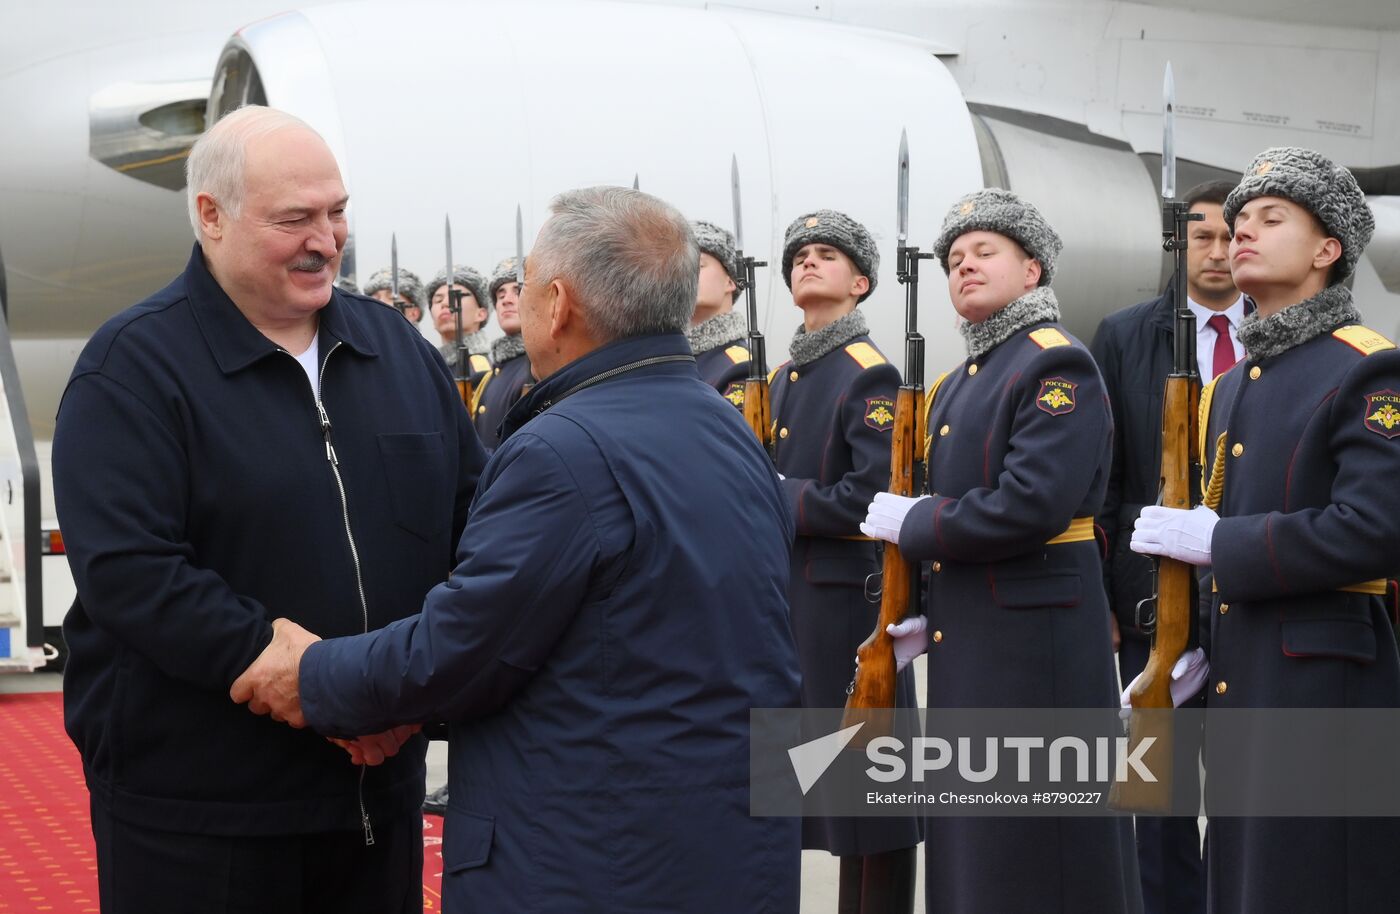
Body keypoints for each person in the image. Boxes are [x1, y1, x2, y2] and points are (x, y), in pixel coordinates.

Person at [229, 185, 803, 913]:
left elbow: (465, 645)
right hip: (725, 844)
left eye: (527, 286)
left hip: (597, 858)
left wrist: (312, 676)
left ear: (558, 302)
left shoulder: (564, 450)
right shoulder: (724, 429)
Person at [51, 105, 485, 914]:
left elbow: (475, 525)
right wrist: (309, 683)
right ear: (211, 217)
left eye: (337, 211)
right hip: (202, 820)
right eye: (296, 219)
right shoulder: (132, 370)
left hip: (378, 800)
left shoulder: (399, 355)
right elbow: (131, 572)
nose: (326, 239)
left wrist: (412, 686)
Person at [1130, 147, 1400, 914]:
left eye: (1269, 219)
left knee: (1317, 884)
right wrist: (1188, 650)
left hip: (1326, 686)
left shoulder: (1368, 370)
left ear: (1328, 250)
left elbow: (1376, 528)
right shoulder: (1230, 388)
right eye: (1238, 220)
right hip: (1245, 681)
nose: (1241, 234)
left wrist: (1223, 546)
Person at [861, 188, 1143, 914]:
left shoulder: (1056, 366)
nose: (964, 267)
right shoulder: (961, 382)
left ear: (1033, 270)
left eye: (985, 252)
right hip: (977, 631)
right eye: (954, 259)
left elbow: (1030, 505)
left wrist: (914, 524)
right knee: (976, 838)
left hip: (1036, 640)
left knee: (1036, 842)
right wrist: (924, 600)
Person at [1089, 179, 1245, 914]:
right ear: (1179, 243)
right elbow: (1104, 479)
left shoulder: (1288, 337)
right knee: (1153, 800)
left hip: (1253, 596)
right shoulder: (1124, 334)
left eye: (1230, 234)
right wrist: (1106, 598)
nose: (1217, 251)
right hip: (1151, 600)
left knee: (1254, 804)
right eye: (1201, 235)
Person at [766, 209, 920, 913]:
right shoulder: (789, 372)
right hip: (794, 602)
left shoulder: (867, 372)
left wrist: (778, 496)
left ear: (859, 283)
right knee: (790, 790)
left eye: (826, 255)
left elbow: (873, 494)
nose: (807, 262)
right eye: (799, 254)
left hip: (845, 604)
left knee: (868, 798)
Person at [470, 256, 533, 450]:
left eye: (518, 290)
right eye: (500, 294)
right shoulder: (493, 374)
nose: (506, 300)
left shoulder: (539, 365)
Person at [686, 219, 750, 407]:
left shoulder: (740, 368)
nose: (686, 274)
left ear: (730, 281)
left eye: (698, 266)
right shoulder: (669, 359)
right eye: (680, 268)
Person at [426, 264, 492, 379]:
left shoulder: (482, 372)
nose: (445, 303)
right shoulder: (429, 368)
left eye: (456, 297)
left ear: (481, 314)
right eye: (438, 300)